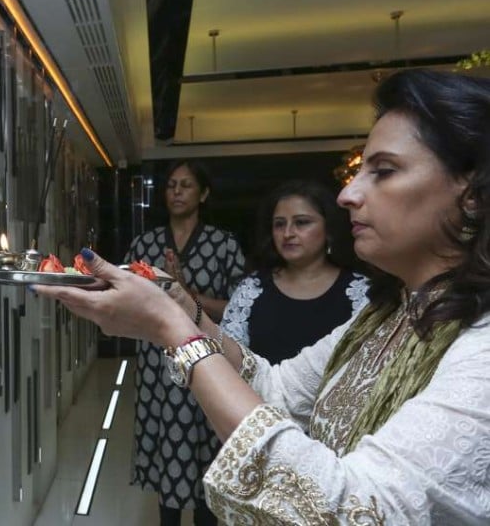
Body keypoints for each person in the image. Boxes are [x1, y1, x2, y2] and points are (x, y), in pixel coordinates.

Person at [37, 68, 490, 523]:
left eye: (384, 171)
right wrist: (178, 306)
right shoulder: (385, 315)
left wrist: (174, 331)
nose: (349, 194)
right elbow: (273, 387)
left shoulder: (480, 347)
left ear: (472, 195)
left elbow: (354, 508)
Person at [124, 160, 245, 526]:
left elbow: (239, 308)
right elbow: (127, 300)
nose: (176, 192)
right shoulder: (144, 244)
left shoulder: (223, 244)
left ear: (203, 194)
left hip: (207, 357)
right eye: (172, 185)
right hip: (158, 363)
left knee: (207, 447)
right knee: (169, 450)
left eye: (186, 185)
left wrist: (185, 293)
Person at [221, 180, 369, 363]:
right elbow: (228, 361)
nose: (288, 233)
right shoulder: (252, 289)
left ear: (329, 229)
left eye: (301, 222)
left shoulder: (360, 291)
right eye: (279, 224)